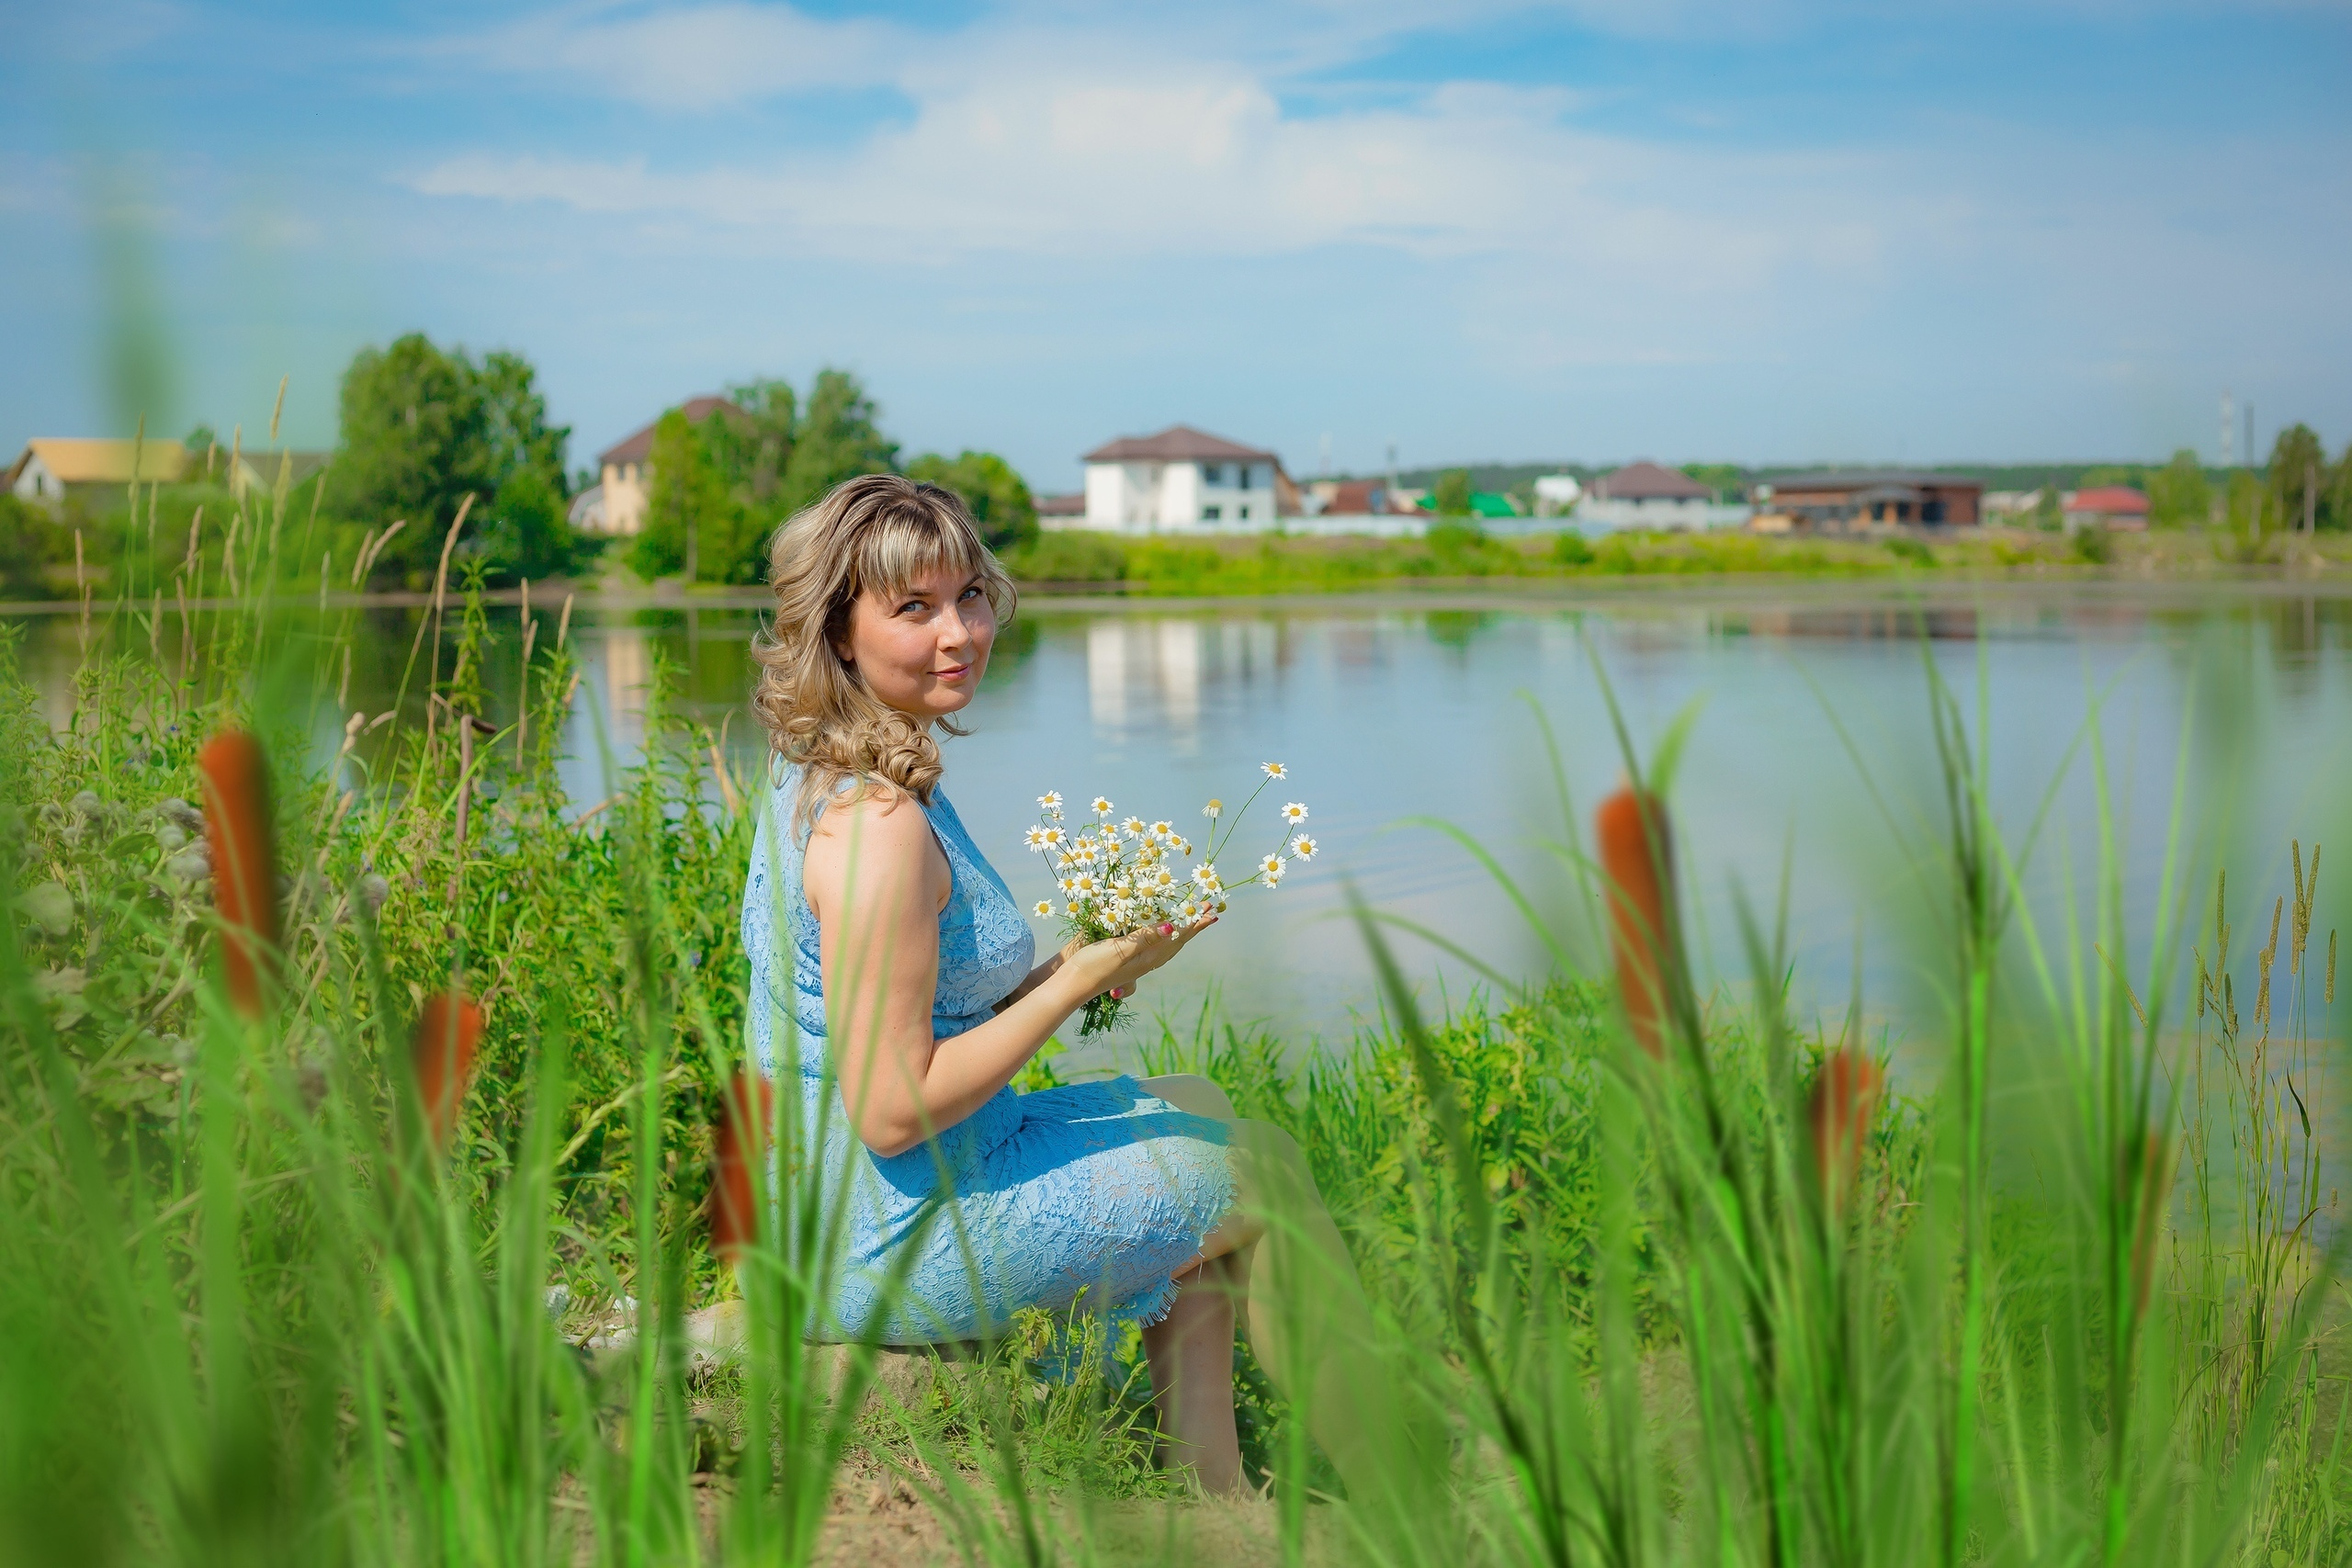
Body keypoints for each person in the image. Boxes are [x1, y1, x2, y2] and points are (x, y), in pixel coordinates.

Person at [740, 473, 1394, 1495]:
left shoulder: (842, 770)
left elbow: (913, 1016)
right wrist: (1071, 982)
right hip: (881, 1238)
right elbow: (891, 1110)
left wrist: (1086, 970)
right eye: (913, 607)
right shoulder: (879, 830)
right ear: (836, 633)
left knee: (1198, 1103)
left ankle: (1213, 1491)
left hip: (857, 1194)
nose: (959, 632)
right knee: (1261, 1172)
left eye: (968, 595)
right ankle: (1404, 1496)